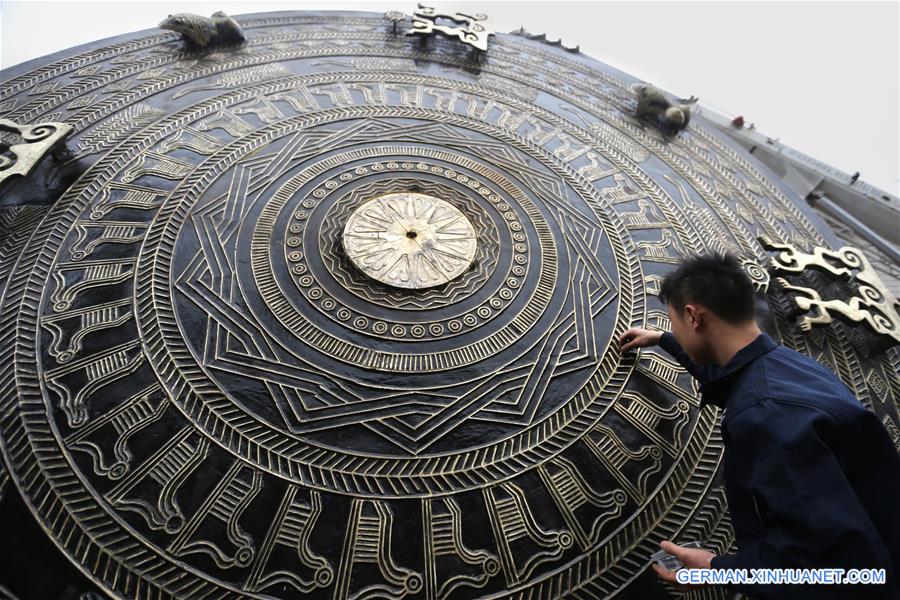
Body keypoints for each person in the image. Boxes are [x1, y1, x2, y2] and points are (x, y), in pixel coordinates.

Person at [617, 252, 900, 599]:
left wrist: (715, 569)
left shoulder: (765, 418)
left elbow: (838, 570)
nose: (672, 326)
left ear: (693, 317)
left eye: (672, 319)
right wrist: (665, 339)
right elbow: (730, 373)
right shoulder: (787, 367)